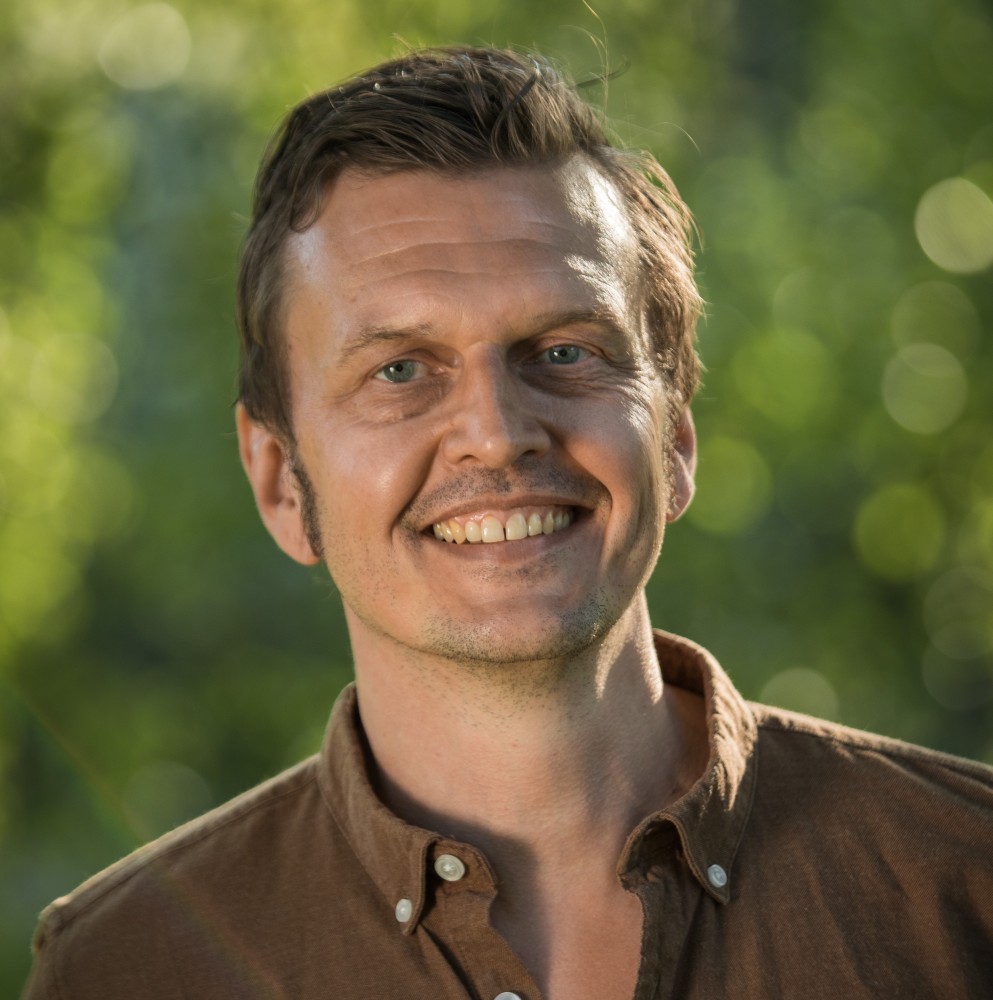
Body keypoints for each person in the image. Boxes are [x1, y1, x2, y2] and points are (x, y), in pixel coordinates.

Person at [21, 45, 993, 1000]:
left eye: (564, 351)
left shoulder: (966, 886)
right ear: (281, 481)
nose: (496, 433)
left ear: (675, 437)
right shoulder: (126, 969)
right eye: (400, 370)